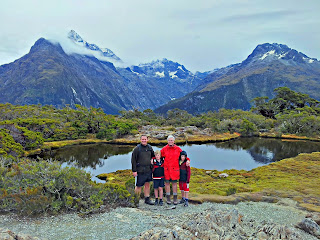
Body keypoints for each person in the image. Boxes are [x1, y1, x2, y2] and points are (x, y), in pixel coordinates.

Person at [131, 135, 155, 205]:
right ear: (140, 140)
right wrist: (134, 171)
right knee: (139, 186)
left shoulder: (150, 148)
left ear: (147, 139)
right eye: (142, 139)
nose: (144, 140)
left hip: (148, 169)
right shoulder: (137, 149)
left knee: (147, 184)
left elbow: (153, 156)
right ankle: (136, 200)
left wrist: (152, 161)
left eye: (145, 139)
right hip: (140, 170)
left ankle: (147, 199)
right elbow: (133, 160)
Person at [160, 135, 182, 205]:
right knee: (167, 184)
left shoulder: (178, 149)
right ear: (167, 141)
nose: (170, 141)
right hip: (166, 170)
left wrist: (188, 160)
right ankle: (168, 198)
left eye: (172, 140)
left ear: (174, 141)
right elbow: (158, 155)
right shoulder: (164, 149)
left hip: (175, 170)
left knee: (174, 184)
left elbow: (183, 156)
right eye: (169, 140)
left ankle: (175, 198)